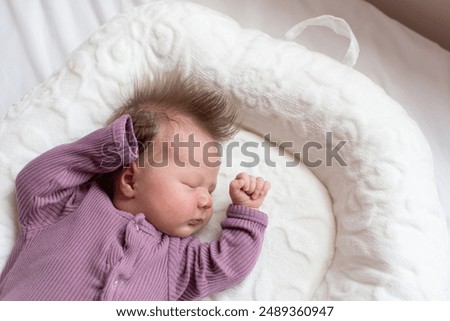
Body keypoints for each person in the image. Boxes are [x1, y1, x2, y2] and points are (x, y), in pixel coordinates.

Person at [0, 72, 271, 300]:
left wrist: (245, 213)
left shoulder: (177, 260)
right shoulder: (69, 207)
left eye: (210, 190)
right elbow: (38, 180)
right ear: (130, 179)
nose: (207, 201)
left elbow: (227, 265)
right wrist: (114, 144)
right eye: (191, 184)